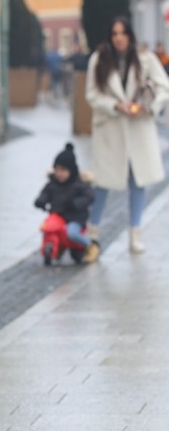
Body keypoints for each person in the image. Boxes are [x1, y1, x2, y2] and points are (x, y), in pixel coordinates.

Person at [85, 17, 169, 255]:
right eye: (114, 33)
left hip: (138, 127)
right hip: (110, 129)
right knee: (102, 182)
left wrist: (148, 106)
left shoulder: (145, 58)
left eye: (122, 33)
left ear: (130, 35)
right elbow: (91, 94)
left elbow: (164, 87)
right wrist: (115, 105)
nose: (118, 38)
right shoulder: (99, 59)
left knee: (138, 181)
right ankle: (93, 232)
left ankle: (135, 232)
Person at [34, 142, 98, 264]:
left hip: (75, 218)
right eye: (57, 170)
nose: (59, 174)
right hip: (58, 215)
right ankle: (54, 247)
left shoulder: (78, 185)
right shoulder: (53, 184)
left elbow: (89, 196)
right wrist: (41, 201)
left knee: (71, 233)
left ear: (71, 171)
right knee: (48, 227)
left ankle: (90, 245)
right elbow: (45, 194)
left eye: (63, 170)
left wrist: (75, 204)